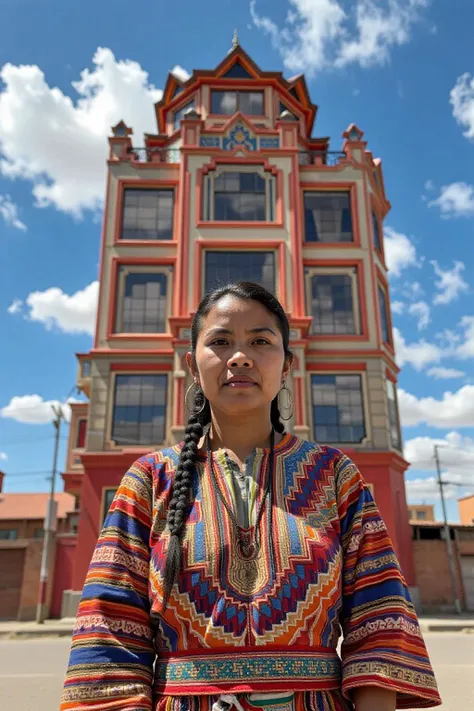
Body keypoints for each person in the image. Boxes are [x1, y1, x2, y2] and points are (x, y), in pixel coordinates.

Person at [60, 282, 441, 711]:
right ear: (192, 364)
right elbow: (110, 636)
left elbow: (378, 625)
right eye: (220, 341)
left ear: (286, 366)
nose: (240, 356)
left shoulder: (335, 476)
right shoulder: (149, 480)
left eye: (261, 341)